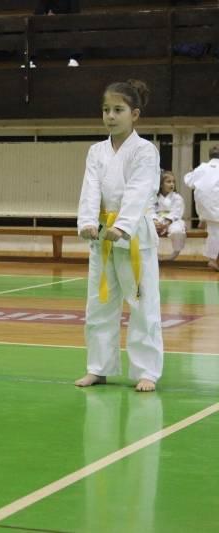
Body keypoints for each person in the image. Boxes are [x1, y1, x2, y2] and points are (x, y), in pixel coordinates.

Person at [75, 79, 163, 392]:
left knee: (142, 305)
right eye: (106, 110)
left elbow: (140, 190)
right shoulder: (96, 151)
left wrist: (122, 226)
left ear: (134, 114)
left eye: (118, 110)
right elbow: (90, 188)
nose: (110, 116)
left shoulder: (145, 151)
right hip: (102, 237)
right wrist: (87, 221)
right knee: (99, 304)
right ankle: (98, 368)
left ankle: (147, 371)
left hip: (134, 235)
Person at [184, 145, 219, 271]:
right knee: (215, 232)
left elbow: (188, 182)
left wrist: (190, 172)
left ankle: (202, 219)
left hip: (203, 207)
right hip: (215, 207)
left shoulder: (202, 167)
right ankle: (212, 260)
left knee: (214, 231)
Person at [27, 0, 81, 68]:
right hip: (50, 25)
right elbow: (37, 13)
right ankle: (31, 61)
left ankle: (74, 59)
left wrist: (58, 18)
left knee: (75, 27)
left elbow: (75, 14)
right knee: (34, 26)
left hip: (67, 24)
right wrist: (47, 16)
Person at [153, 170, 186, 261]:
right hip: (157, 220)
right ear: (161, 184)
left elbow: (177, 212)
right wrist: (155, 221)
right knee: (148, 229)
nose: (172, 184)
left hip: (173, 221)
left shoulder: (177, 197)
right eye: (168, 181)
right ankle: (153, 253)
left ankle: (175, 252)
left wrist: (166, 223)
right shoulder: (154, 197)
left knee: (177, 231)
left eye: (173, 182)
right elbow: (150, 210)